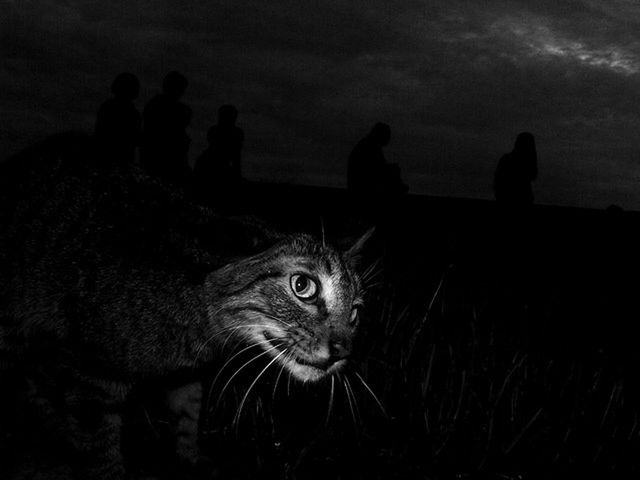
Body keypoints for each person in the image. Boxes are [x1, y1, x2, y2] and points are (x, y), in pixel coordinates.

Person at [140, 71, 192, 184]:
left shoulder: (154, 105)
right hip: (165, 163)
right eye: (180, 88)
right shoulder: (169, 108)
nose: (182, 92)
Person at [194, 104, 244, 204]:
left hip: (213, 166)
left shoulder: (216, 131)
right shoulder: (234, 133)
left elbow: (235, 156)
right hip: (211, 167)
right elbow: (235, 156)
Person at [95, 72, 142, 166]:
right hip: (122, 160)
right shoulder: (133, 114)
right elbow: (135, 138)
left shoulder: (106, 107)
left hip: (104, 158)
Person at [494, 132, 538, 206]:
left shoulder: (506, 159)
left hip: (507, 198)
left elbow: (497, 182)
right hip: (522, 199)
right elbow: (533, 175)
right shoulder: (526, 162)